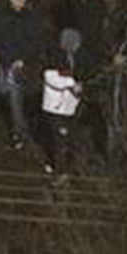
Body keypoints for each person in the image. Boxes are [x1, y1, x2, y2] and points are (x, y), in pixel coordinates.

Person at [0, 0, 42, 150]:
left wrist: (22, 59)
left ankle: (19, 134)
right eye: (18, 0)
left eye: (24, 1)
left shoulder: (28, 19)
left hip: (15, 65)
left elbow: (32, 42)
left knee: (15, 98)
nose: (21, 4)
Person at [38, 29, 84, 176]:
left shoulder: (75, 58)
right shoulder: (54, 57)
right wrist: (71, 83)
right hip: (55, 107)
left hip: (69, 106)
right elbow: (51, 77)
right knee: (57, 138)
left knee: (66, 138)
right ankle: (57, 168)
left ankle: (63, 166)